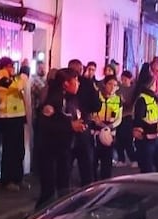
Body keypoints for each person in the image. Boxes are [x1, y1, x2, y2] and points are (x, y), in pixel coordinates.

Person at [36, 69, 85, 208]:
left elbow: (76, 116)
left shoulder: (71, 99)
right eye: (75, 81)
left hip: (65, 149)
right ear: (65, 83)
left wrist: (81, 125)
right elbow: (45, 124)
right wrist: (70, 126)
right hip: (50, 151)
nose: (78, 84)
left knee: (63, 186)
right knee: (49, 190)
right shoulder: (54, 99)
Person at [0, 56, 28, 191]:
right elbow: (19, 85)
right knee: (9, 151)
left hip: (17, 117)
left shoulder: (11, 79)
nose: (13, 69)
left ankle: (18, 179)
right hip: (8, 118)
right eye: (10, 66)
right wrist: (25, 70)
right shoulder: (1, 80)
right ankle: (7, 181)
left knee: (19, 150)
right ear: (5, 67)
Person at [69, 59, 103, 186]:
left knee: (66, 164)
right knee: (86, 164)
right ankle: (87, 191)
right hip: (83, 126)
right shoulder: (88, 84)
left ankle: (62, 192)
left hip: (68, 129)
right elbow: (96, 105)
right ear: (81, 70)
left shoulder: (62, 83)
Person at [132, 68, 158, 173]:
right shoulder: (142, 100)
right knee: (147, 169)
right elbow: (139, 120)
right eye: (155, 83)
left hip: (157, 138)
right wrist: (154, 127)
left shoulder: (152, 99)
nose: (156, 86)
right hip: (146, 140)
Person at [93, 76, 123, 180]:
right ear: (104, 85)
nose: (112, 87)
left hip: (110, 134)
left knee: (107, 162)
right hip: (96, 133)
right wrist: (100, 124)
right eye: (110, 84)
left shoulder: (118, 100)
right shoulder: (97, 97)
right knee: (93, 160)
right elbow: (92, 114)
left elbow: (119, 118)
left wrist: (110, 126)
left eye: (115, 85)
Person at [116, 70, 137, 165]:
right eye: (122, 79)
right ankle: (121, 159)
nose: (123, 81)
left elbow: (133, 105)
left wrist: (124, 102)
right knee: (118, 139)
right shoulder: (118, 88)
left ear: (130, 79)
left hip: (128, 116)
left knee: (128, 139)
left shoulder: (133, 89)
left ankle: (133, 159)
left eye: (125, 79)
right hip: (118, 115)